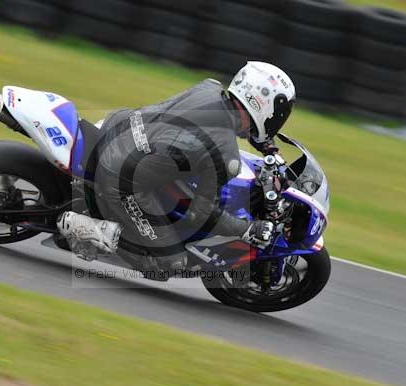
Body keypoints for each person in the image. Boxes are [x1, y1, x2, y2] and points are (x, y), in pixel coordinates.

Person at [58, 61, 296, 278]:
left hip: (118, 126)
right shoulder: (226, 157)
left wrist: (265, 146)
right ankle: (89, 230)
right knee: (170, 263)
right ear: (265, 107)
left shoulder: (209, 88)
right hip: (120, 179)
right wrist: (247, 229)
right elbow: (200, 214)